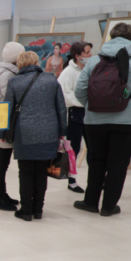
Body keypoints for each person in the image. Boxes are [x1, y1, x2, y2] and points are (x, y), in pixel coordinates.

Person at [73, 22, 131, 217]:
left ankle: (90, 202)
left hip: (94, 120)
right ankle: (109, 206)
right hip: (127, 121)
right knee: (118, 164)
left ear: (110, 36)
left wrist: (93, 105)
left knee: (97, 160)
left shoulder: (94, 60)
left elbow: (79, 91)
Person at [0, 51, 67, 221]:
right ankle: (38, 209)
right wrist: (62, 131)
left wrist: (2, 132)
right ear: (36, 62)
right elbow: (61, 107)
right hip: (49, 132)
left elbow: (7, 109)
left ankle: (26, 210)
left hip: (25, 133)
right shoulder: (51, 79)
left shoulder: (14, 81)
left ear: (20, 64)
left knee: (26, 172)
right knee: (41, 172)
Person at [0, 42, 26, 211]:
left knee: (2, 160)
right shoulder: (10, 75)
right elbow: (9, 100)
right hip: (5, 122)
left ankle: (0, 193)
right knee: (3, 161)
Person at [57, 41, 93, 193]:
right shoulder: (68, 72)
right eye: (87, 52)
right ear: (78, 56)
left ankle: (95, 180)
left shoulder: (90, 69)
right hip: (75, 113)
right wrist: (83, 102)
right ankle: (71, 180)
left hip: (90, 113)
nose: (90, 55)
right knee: (74, 149)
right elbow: (64, 95)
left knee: (92, 148)